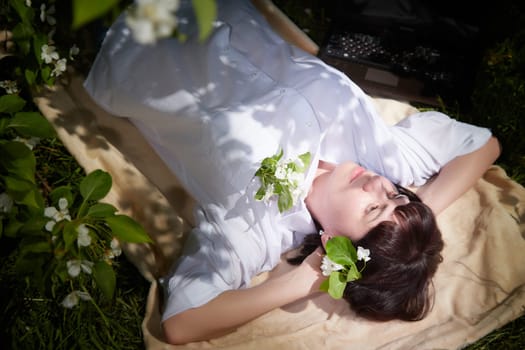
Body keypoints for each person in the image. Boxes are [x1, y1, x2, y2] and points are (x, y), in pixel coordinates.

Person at [83, 0, 500, 345]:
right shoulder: (385, 160)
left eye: (373, 209)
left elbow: (182, 321)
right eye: (394, 196)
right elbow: (482, 145)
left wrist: (307, 280)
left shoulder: (257, 227)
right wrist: (418, 209)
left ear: (335, 244)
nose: (378, 186)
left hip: (131, 34)